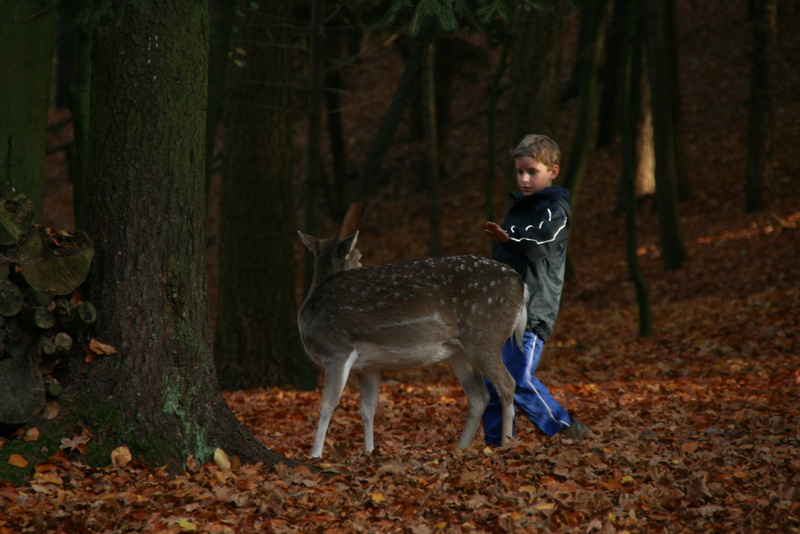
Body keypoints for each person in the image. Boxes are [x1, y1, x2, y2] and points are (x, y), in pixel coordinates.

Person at [482, 134, 591, 445]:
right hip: (503, 312)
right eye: (520, 172)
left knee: (517, 378)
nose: (525, 179)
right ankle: (497, 444)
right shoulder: (518, 209)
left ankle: (566, 429)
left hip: (532, 312)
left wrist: (509, 239)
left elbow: (540, 244)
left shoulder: (556, 210)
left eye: (532, 172)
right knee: (493, 380)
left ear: (553, 172)